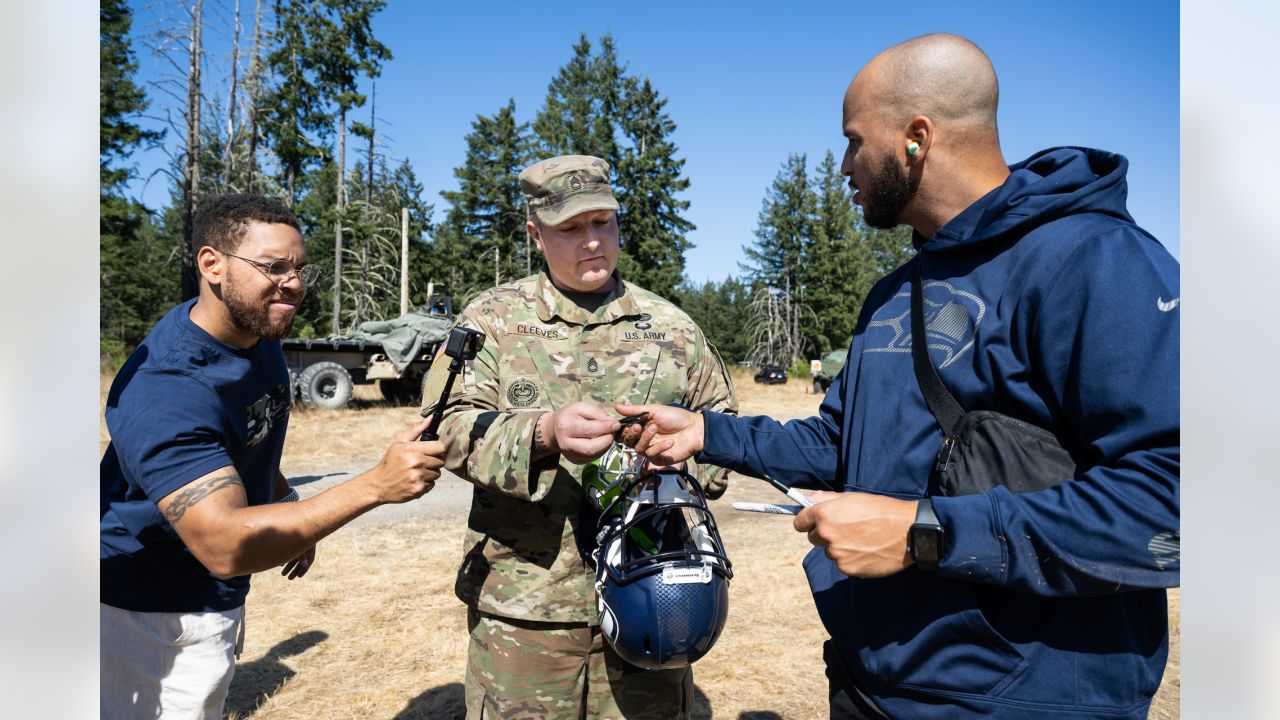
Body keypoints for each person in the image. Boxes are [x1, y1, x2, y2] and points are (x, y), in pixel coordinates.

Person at [622, 33, 1179, 720]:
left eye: (855, 141)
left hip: (1025, 699)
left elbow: (1180, 499)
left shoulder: (1097, 262)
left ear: (916, 138)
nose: (844, 165)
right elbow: (838, 442)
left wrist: (924, 532)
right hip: (871, 686)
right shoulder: (896, 292)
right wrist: (705, 431)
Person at [100, 194, 446, 720]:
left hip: (206, 597)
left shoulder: (254, 336)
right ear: (211, 265)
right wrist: (374, 485)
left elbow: (246, 438)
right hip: (150, 613)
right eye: (274, 267)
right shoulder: (167, 387)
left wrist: (287, 506)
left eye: (300, 269)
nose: (295, 284)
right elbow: (223, 543)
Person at [424, 154, 737, 719]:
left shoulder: (671, 327)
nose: (592, 241)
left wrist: (681, 459)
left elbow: (722, 432)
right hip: (528, 607)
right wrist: (541, 433)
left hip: (653, 596)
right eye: (570, 228)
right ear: (535, 234)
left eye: (603, 223)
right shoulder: (491, 322)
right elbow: (442, 427)